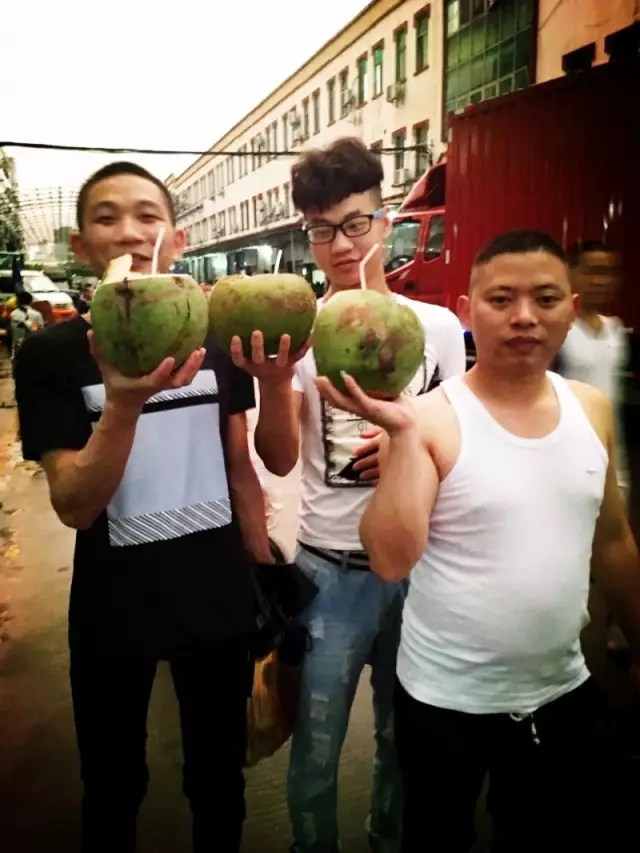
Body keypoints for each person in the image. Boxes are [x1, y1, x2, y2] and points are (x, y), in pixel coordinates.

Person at [315, 229, 640, 853]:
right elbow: (390, 559)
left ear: (572, 310)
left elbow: (614, 540)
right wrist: (401, 439)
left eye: (546, 299)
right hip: (444, 702)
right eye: (501, 299)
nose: (524, 316)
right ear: (468, 310)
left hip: (561, 690)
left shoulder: (592, 409)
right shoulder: (428, 419)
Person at [13, 161, 301, 853]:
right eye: (106, 217)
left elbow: (255, 464)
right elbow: (75, 505)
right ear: (80, 246)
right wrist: (122, 404)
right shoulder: (51, 355)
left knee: (218, 779)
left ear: (176, 237)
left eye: (148, 216)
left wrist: (278, 383)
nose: (130, 233)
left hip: (216, 599)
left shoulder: (214, 338)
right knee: (113, 784)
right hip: (114, 607)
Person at [231, 137, 466, 853]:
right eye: (322, 229)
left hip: (419, 570)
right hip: (329, 573)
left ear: (385, 219)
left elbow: (460, 444)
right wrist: (276, 383)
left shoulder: (435, 329)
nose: (341, 244)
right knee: (315, 753)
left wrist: (403, 446)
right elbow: (276, 456)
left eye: (356, 223)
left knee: (404, 739)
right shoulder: (298, 335)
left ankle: (387, 839)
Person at [556, 241, 630, 653]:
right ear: (572, 276)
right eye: (592, 271)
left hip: (613, 459)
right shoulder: (563, 333)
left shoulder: (616, 330)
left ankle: (620, 627)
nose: (601, 281)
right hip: (570, 460)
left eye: (608, 272)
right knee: (575, 551)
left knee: (617, 545)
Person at [10, 290, 45, 366]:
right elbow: (41, 331)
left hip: (18, 350)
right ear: (30, 301)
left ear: (18, 302)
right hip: (34, 349)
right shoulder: (37, 314)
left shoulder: (13, 314)